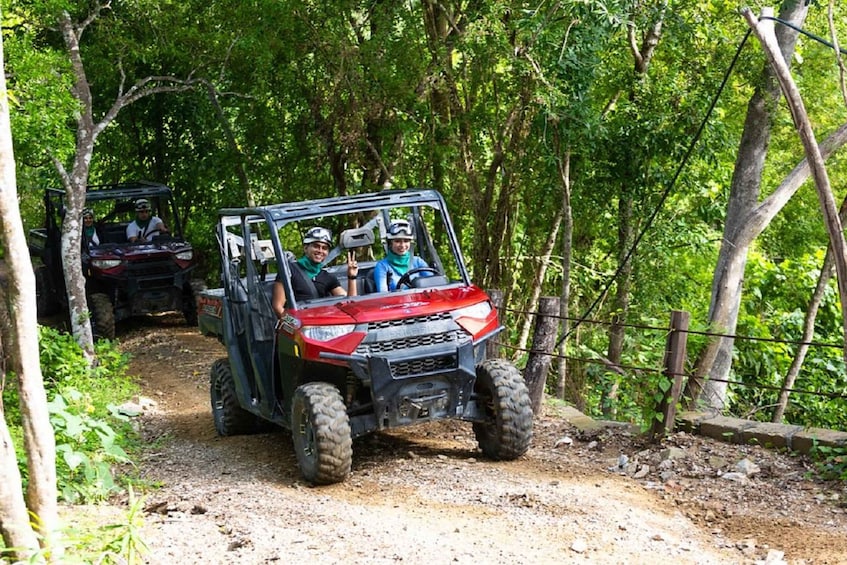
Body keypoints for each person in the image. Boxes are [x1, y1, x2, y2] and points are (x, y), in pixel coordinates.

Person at [272, 226, 358, 317]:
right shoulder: (288, 270)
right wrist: (294, 324)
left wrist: (352, 277)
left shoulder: (328, 277)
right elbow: (278, 307)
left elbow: (351, 303)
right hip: (298, 325)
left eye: (324, 248)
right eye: (316, 246)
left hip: (322, 324)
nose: (320, 251)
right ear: (306, 248)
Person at [373, 220, 430, 292]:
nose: (402, 245)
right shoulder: (382, 266)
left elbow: (433, 283)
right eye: (397, 241)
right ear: (390, 243)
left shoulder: (418, 262)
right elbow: (383, 294)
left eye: (406, 241)